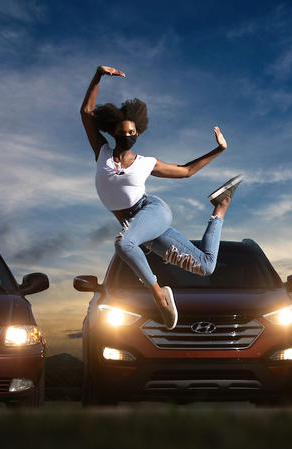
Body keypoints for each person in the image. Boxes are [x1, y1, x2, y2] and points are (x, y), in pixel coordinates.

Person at [80, 65, 242, 330]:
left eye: (133, 132)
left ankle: (158, 296)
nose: (128, 135)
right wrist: (98, 75)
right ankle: (221, 207)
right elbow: (86, 113)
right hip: (141, 230)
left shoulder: (146, 162)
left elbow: (186, 171)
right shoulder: (102, 153)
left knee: (123, 244)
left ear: (139, 133)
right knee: (206, 267)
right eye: (123, 131)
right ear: (113, 130)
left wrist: (218, 150)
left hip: (152, 211)